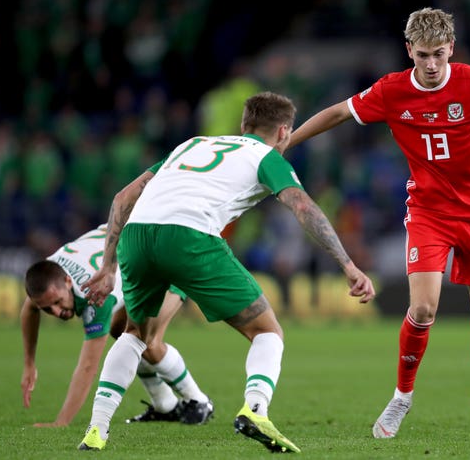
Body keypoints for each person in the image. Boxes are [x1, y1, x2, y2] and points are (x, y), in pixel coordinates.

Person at [287, 7, 470, 439]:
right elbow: (337, 113)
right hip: (427, 211)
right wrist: (287, 143)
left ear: (452, 51)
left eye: (439, 55)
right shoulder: (391, 91)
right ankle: (402, 398)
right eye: (423, 55)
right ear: (409, 50)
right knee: (423, 308)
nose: (431, 65)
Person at [77, 91, 375, 453]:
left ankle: (96, 430)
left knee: (135, 333)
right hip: (189, 237)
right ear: (284, 132)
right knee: (268, 331)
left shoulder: (193, 144)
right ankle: (256, 410)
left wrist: (107, 267)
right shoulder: (266, 156)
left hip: (136, 235)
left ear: (242, 125)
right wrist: (347, 263)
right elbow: (302, 206)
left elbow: (123, 197)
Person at [20, 224, 214, 428]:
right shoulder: (47, 277)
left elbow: (88, 367)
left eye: (58, 302)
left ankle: (199, 402)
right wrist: (29, 363)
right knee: (121, 332)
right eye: (48, 309)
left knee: (147, 341)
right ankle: (165, 405)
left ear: (68, 282)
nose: (57, 312)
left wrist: (62, 422)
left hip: (166, 258)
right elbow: (29, 309)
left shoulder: (93, 293)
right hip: (140, 249)